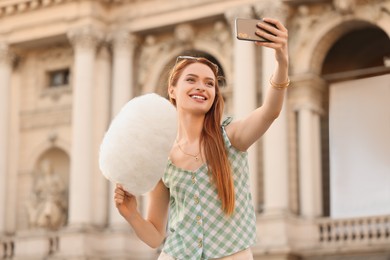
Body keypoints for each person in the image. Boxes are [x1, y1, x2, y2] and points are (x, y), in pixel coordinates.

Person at [114, 17, 289, 260]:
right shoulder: (162, 156)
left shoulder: (231, 137)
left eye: (210, 83)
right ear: (172, 91)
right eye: (191, 80)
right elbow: (155, 235)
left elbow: (270, 111)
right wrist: (131, 214)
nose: (202, 87)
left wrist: (281, 61)